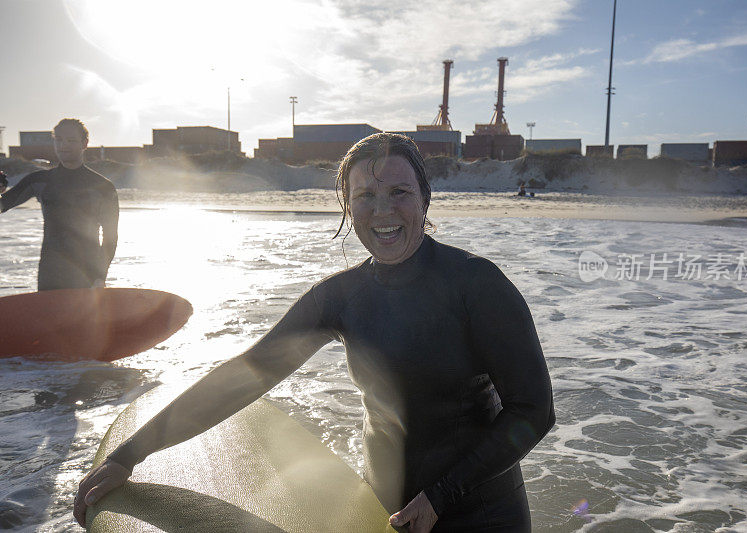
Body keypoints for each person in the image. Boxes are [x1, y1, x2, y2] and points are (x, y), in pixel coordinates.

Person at [73, 133, 554, 532]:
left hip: (482, 512)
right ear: (347, 206)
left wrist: (442, 496)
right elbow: (247, 374)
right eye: (365, 196)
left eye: (399, 193)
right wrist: (127, 456)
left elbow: (534, 409)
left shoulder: (476, 283)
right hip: (381, 510)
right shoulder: (341, 297)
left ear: (425, 199)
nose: (382, 211)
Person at [0, 119, 118, 291]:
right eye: (59, 140)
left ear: (84, 143)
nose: (64, 145)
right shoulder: (39, 181)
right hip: (50, 275)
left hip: (87, 276)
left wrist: (100, 277)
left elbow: (110, 238)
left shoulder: (103, 188)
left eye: (71, 140)